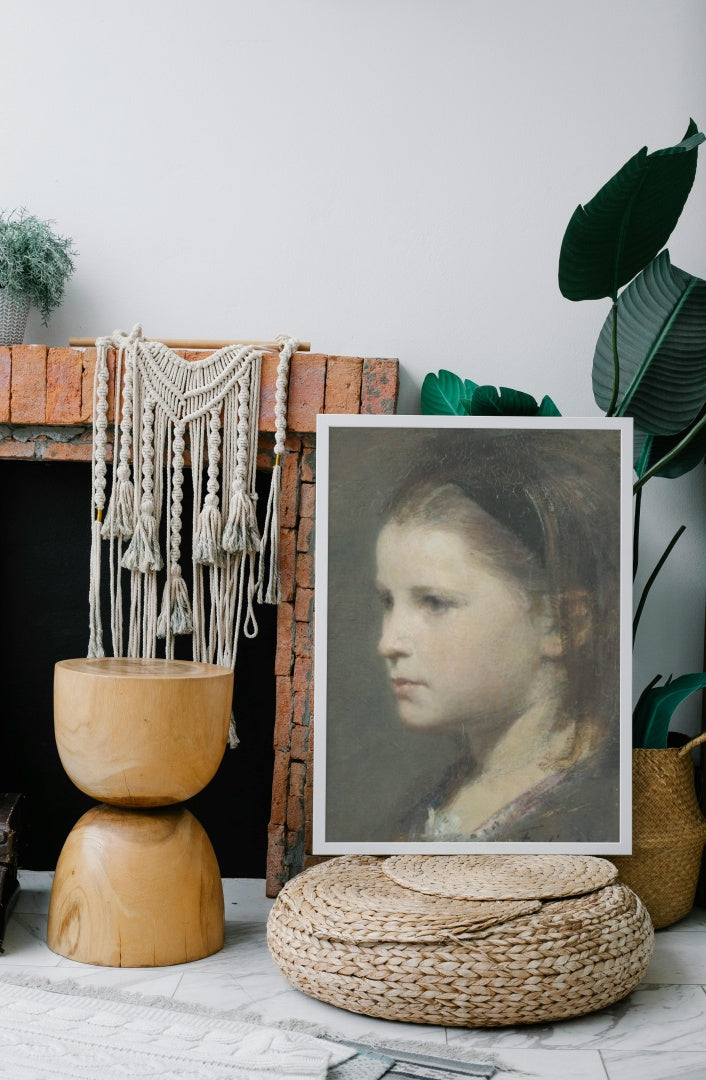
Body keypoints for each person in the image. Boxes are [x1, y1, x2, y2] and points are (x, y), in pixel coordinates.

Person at [374, 429, 621, 843]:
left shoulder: (588, 813)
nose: (389, 643)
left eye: (435, 602)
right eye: (387, 601)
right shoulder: (436, 799)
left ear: (560, 624)